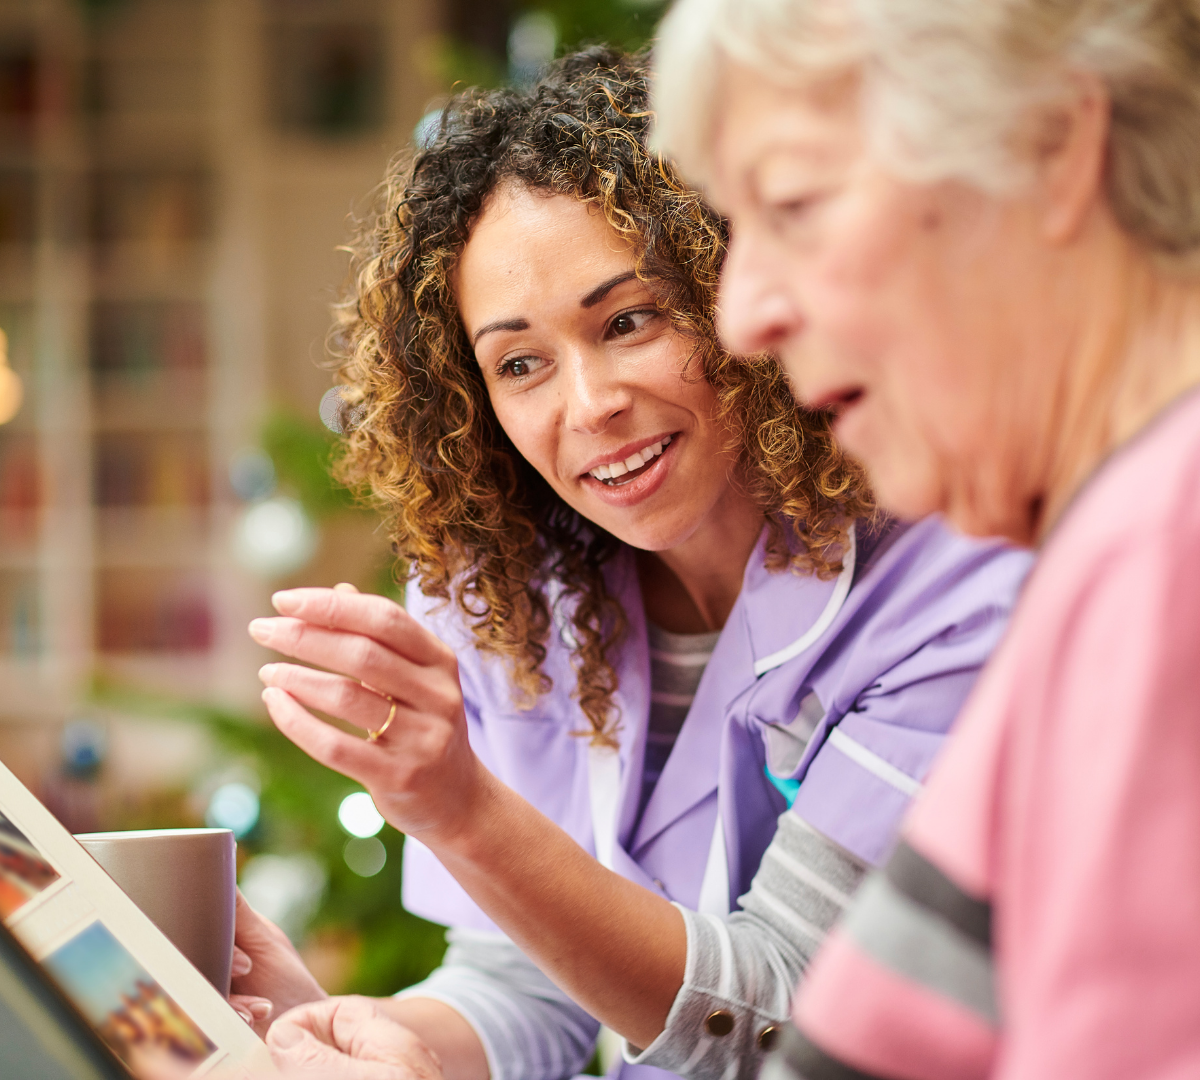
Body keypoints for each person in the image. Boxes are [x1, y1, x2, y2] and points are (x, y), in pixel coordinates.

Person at [235, 50, 1029, 1080]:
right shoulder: (511, 600)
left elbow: (788, 1017)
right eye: (521, 363)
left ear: (734, 290)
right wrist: (379, 1042)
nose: (588, 404)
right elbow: (524, 983)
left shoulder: (950, 587)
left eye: (629, 320)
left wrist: (465, 812)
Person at [650, 0, 1200, 1078]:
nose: (741, 313)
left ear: (1053, 147)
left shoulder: (1164, 543)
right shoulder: (1107, 551)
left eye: (796, 203)